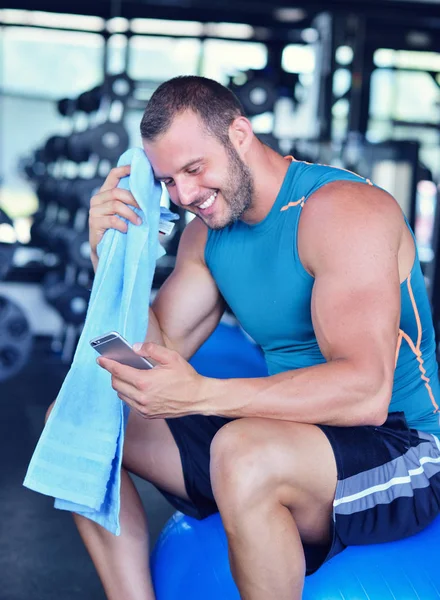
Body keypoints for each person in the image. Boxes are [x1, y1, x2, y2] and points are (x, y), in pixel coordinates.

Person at [64, 76, 440, 599]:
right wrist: (112, 258)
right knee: (83, 418)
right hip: (291, 432)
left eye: (194, 169)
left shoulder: (343, 211)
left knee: (242, 451)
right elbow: (157, 351)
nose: (185, 195)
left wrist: (205, 394)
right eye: (168, 181)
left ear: (239, 133)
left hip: (402, 447)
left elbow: (365, 393)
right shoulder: (207, 234)